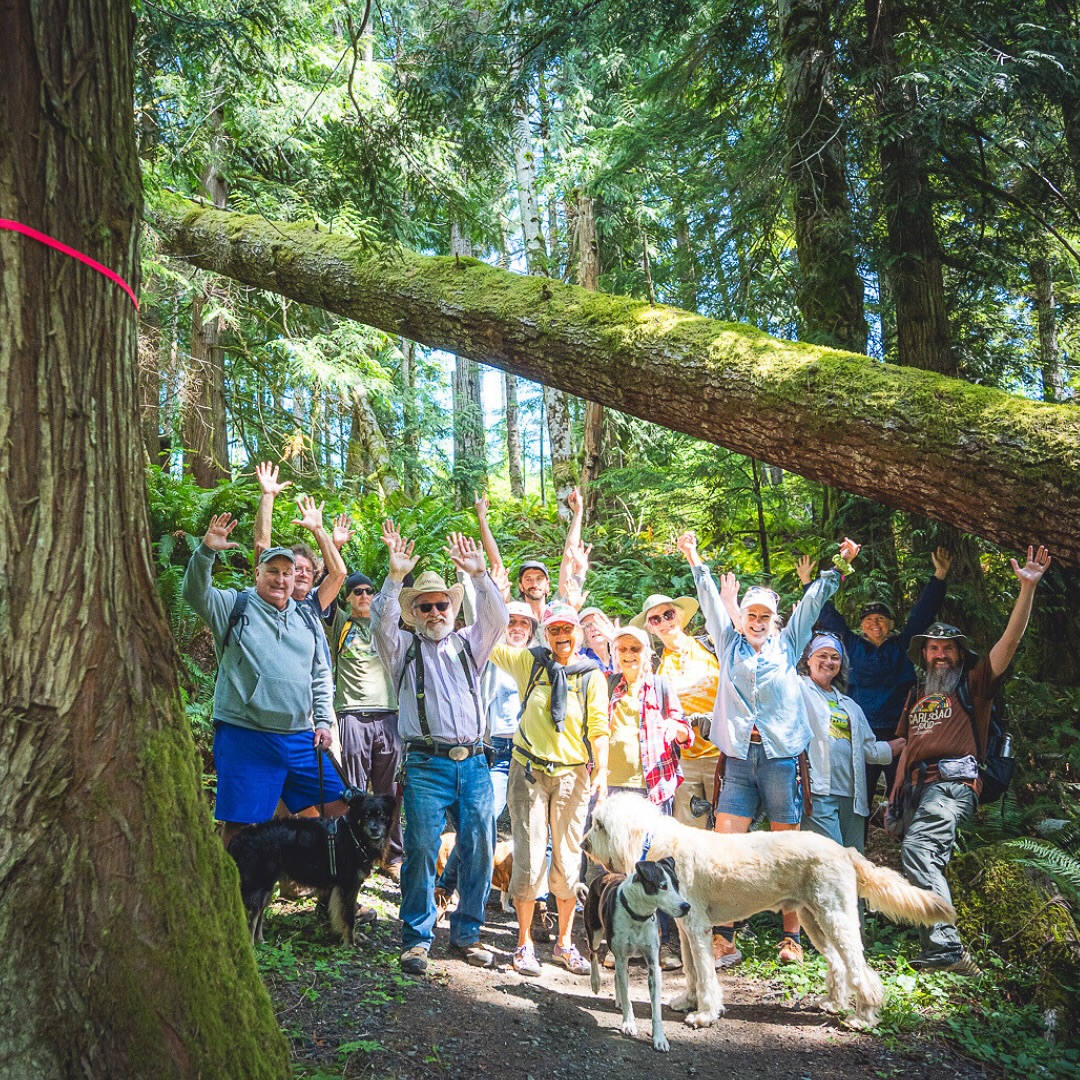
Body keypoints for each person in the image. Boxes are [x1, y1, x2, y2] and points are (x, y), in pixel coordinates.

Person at [680, 530, 861, 966]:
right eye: (751, 614)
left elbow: (814, 601)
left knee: (788, 848)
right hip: (741, 759)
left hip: (780, 759)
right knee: (725, 845)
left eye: (765, 615)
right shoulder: (728, 643)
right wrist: (694, 558)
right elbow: (707, 600)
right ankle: (724, 936)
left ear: (775, 619)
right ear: (740, 617)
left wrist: (839, 569)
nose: (758, 621)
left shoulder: (788, 644)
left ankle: (791, 940)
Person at [889, 546, 1051, 974]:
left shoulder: (975, 684)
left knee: (921, 848)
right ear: (923, 654)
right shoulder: (916, 694)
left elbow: (1009, 641)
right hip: (915, 788)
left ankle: (948, 948)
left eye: (947, 649)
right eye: (932, 648)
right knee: (920, 857)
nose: (940, 654)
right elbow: (905, 749)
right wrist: (891, 801)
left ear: (960, 654)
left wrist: (1026, 589)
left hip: (953, 784)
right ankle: (939, 948)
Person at [372, 521, 508, 976]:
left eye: (441, 604)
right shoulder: (403, 649)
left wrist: (478, 575)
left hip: (473, 762)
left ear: (453, 607)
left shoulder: (472, 643)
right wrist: (395, 579)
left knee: (481, 844)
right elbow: (380, 620)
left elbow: (498, 618)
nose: (435, 612)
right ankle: (416, 939)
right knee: (422, 848)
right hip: (425, 764)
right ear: (416, 613)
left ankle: (468, 932)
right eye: (426, 606)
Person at [182, 514, 343, 850]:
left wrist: (324, 721)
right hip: (246, 734)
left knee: (339, 807)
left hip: (300, 736)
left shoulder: (306, 618)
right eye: (272, 571)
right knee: (241, 825)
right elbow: (195, 593)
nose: (281, 579)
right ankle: (238, 899)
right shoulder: (234, 605)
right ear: (257, 573)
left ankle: (329, 897)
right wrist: (206, 552)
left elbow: (320, 675)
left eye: (287, 573)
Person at [490, 604, 610, 977]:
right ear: (545, 634)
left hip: (573, 775)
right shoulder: (530, 663)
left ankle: (564, 943)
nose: (561, 636)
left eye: (567, 629)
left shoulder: (591, 675)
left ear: (576, 632)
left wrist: (602, 771)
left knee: (568, 859)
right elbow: (489, 639)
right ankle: (524, 944)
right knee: (528, 859)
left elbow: (599, 727)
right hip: (528, 771)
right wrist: (482, 580)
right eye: (554, 630)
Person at [797, 546, 951, 812]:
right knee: (861, 799)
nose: (875, 624)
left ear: (891, 623)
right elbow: (828, 616)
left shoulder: (902, 646)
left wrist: (939, 577)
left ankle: (906, 843)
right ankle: (856, 848)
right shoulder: (853, 646)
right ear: (862, 625)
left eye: (881, 619)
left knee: (903, 795)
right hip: (862, 733)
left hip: (899, 731)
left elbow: (922, 614)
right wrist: (808, 583)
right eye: (869, 620)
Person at [632, 588, 731, 968]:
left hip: (723, 757)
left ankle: (726, 932)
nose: (663, 623)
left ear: (680, 616)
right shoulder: (659, 668)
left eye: (667, 615)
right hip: (683, 766)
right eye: (654, 620)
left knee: (724, 842)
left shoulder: (710, 649)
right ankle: (694, 928)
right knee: (688, 846)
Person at [606, 625, 692, 969]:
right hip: (614, 788)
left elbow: (684, 730)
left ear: (647, 654)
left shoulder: (661, 686)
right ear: (615, 653)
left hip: (652, 787)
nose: (629, 655)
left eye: (635, 649)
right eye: (623, 649)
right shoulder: (607, 684)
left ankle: (665, 943)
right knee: (617, 867)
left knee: (657, 865)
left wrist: (676, 729)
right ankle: (620, 944)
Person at [327, 570, 403, 881]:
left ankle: (392, 856)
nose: (364, 596)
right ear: (347, 597)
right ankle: (355, 856)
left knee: (391, 792)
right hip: (352, 715)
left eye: (369, 591)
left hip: (389, 715)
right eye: (357, 591)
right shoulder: (341, 625)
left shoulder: (386, 627)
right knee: (355, 794)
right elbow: (327, 591)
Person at [799, 633, 904, 852]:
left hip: (852, 796)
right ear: (808, 658)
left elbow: (868, 749)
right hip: (818, 791)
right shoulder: (798, 689)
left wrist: (904, 744)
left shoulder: (850, 705)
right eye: (823, 655)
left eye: (835, 657)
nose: (829, 662)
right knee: (832, 857)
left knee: (855, 857)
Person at [579, 607, 616, 672]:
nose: (593, 628)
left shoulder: (618, 657)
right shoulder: (580, 657)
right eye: (587, 625)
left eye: (597, 623)